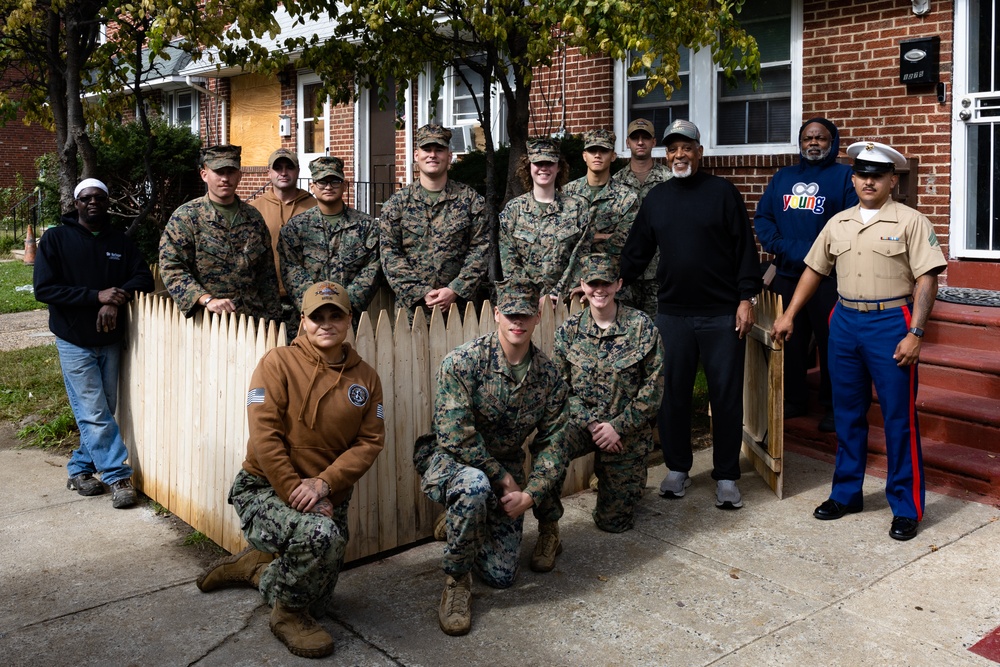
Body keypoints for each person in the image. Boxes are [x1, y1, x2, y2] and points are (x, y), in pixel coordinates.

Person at [195, 281, 385, 659]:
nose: (326, 324)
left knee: (320, 600)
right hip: (266, 487)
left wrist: (323, 485)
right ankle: (287, 615)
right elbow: (265, 437)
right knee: (320, 539)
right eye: (317, 317)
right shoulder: (277, 363)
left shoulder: (366, 378)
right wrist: (298, 495)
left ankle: (256, 569)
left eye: (335, 315)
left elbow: (369, 443)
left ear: (349, 320)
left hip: (325, 497)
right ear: (303, 321)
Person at [771, 141, 946, 542]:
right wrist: (789, 314)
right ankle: (847, 493)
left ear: (891, 180)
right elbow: (814, 270)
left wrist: (916, 332)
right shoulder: (838, 222)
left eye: (877, 175)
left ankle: (906, 506)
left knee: (898, 419)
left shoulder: (911, 221)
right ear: (853, 179)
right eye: (862, 174)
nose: (869, 181)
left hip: (891, 322)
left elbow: (927, 278)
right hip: (845, 322)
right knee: (847, 414)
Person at [414, 277, 569, 636]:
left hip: (505, 469)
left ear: (538, 317)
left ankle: (469, 522)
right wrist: (502, 477)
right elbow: (455, 435)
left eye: (526, 315)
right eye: (511, 313)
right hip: (450, 460)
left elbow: (554, 444)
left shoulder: (547, 376)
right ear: (497, 314)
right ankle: (456, 582)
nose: (518, 322)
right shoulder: (464, 362)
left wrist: (530, 495)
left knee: (502, 577)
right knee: (474, 485)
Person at [620, 119, 763, 510]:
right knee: (673, 395)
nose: (679, 154)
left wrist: (746, 298)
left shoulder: (723, 193)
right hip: (673, 315)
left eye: (687, 148)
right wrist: (608, 281)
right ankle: (678, 467)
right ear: (666, 155)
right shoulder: (657, 200)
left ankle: (727, 475)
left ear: (700, 152)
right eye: (673, 149)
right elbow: (636, 252)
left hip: (720, 315)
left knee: (726, 396)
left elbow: (744, 250)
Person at [33, 178, 155, 509]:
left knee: (104, 408)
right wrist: (95, 296)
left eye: (99, 198)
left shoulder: (120, 241)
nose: (92, 203)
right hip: (74, 339)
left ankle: (79, 470)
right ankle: (117, 476)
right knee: (94, 411)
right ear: (76, 203)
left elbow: (143, 277)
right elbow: (44, 289)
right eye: (86, 198)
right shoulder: (56, 239)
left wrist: (115, 299)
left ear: (107, 202)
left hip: (110, 340)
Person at [755, 118, 859, 431]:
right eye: (808, 138)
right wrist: (784, 247)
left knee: (833, 345)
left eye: (821, 138)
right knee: (792, 341)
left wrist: (814, 253)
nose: (813, 143)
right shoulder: (783, 177)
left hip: (829, 278)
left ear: (833, 142)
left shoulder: (845, 177)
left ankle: (833, 407)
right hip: (787, 273)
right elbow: (764, 218)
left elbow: (849, 223)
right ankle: (794, 400)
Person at [548, 253, 664, 534]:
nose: (600, 290)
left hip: (626, 432)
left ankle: (618, 478)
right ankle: (547, 527)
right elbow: (560, 388)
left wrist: (617, 428)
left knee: (614, 523)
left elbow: (654, 388)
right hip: (582, 424)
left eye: (607, 283)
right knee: (549, 450)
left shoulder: (641, 327)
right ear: (583, 285)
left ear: (618, 285)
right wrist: (592, 424)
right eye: (593, 283)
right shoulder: (569, 332)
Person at [159, 145, 282, 323]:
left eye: (231, 171)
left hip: (253, 322)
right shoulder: (186, 218)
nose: (225, 178)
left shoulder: (253, 218)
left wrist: (274, 321)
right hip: (210, 324)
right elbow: (172, 268)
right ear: (204, 175)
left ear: (239, 175)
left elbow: (266, 275)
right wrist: (206, 299)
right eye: (219, 172)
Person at [379, 124, 490, 315]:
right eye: (426, 149)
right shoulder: (397, 204)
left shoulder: (471, 201)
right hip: (412, 311)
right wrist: (420, 292)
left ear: (449, 156)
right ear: (416, 155)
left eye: (439, 150)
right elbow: (389, 254)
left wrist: (455, 289)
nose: (432, 155)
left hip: (460, 310)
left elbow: (481, 249)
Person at [279, 156, 382, 319]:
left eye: (335, 181)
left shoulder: (367, 226)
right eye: (322, 182)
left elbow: (373, 268)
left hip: (349, 317)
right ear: (312, 186)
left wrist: (345, 304)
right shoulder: (296, 228)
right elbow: (291, 268)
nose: (328, 187)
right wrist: (312, 304)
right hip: (309, 317)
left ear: (345, 186)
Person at [499, 137, 592, 309]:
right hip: (524, 304)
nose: (543, 168)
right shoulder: (513, 210)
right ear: (529, 167)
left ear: (558, 167)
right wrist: (533, 297)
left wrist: (557, 294)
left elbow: (581, 256)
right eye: (538, 162)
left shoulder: (577, 208)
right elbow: (509, 262)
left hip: (567, 303)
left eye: (549, 163)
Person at [611, 118, 672, 317]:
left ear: (654, 142)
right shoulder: (615, 183)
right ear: (627, 142)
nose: (640, 142)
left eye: (645, 138)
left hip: (660, 275)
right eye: (634, 138)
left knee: (659, 337)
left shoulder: (669, 180)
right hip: (625, 276)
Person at [563, 129, 639, 265]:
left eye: (604, 151)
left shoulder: (627, 198)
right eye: (592, 151)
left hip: (608, 276)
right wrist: (604, 236)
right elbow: (560, 238)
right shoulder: (566, 193)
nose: (597, 155)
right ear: (584, 156)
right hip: (571, 276)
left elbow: (623, 243)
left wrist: (580, 238)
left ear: (613, 156)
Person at [250, 148, 316, 297]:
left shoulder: (315, 207)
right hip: (265, 296)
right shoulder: (253, 210)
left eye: (289, 167)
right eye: (278, 168)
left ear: (298, 171)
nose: (284, 173)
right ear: (269, 173)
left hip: (307, 296)